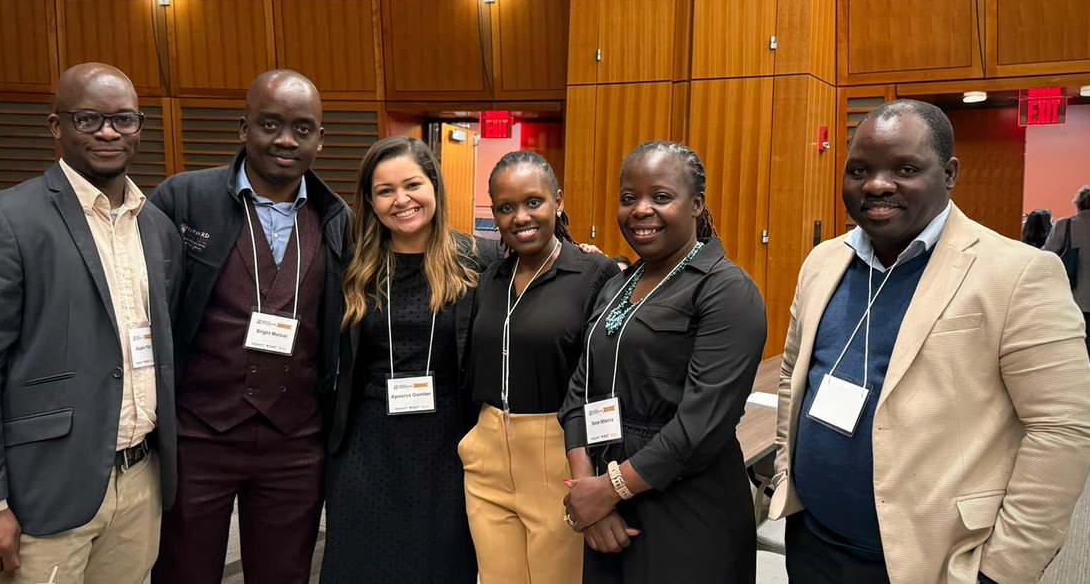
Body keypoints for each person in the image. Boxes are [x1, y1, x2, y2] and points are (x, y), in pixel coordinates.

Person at [770, 99, 1090, 584]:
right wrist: (786, 474)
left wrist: (1001, 571)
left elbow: (1064, 432)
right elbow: (792, 376)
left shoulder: (1018, 273)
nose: (877, 184)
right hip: (813, 544)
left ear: (948, 174)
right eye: (859, 169)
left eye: (905, 168)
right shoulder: (823, 261)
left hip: (932, 562)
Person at [0, 63, 183, 581]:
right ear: (57, 126)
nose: (109, 132)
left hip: (141, 479)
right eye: (89, 119)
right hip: (45, 487)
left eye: (124, 119)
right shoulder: (7, 219)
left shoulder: (157, 226)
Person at [149, 70, 348, 582]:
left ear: (320, 140)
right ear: (243, 128)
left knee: (285, 575)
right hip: (199, 435)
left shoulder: (337, 219)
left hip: (296, 440)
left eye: (302, 129)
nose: (285, 139)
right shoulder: (183, 200)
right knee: (184, 572)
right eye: (270, 124)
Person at [560, 141, 766, 583]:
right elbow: (579, 391)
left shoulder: (726, 290)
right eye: (629, 198)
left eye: (661, 197)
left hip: (686, 505)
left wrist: (610, 489)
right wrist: (586, 494)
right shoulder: (617, 283)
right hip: (604, 498)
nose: (641, 210)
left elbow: (701, 424)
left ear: (696, 205)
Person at [320, 136, 496, 584]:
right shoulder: (352, 262)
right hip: (368, 439)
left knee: (440, 564)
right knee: (364, 564)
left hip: (447, 442)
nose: (402, 200)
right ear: (370, 200)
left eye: (412, 185)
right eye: (385, 191)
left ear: (434, 185)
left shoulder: (478, 259)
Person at [463, 151, 619, 583]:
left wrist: (600, 482)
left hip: (559, 456)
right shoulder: (488, 274)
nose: (521, 217)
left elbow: (605, 379)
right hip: (488, 456)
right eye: (506, 207)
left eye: (534, 202)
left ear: (558, 201)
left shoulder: (595, 272)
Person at [1044, 185, 1090, 406]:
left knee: (1066, 352)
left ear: (1078, 203)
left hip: (1070, 300)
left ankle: (1068, 401)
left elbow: (1047, 256)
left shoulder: (1065, 225)